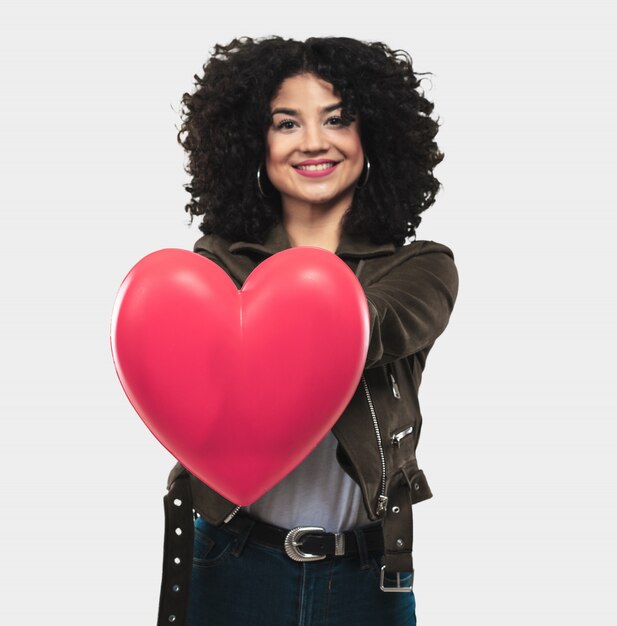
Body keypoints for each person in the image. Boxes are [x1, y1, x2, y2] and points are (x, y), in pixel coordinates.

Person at [157, 36, 458, 626]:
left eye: (337, 119)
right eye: (287, 122)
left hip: (368, 574)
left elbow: (372, 331)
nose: (314, 142)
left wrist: (288, 310)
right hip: (230, 557)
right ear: (254, 142)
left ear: (372, 136)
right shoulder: (215, 266)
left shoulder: (419, 266)